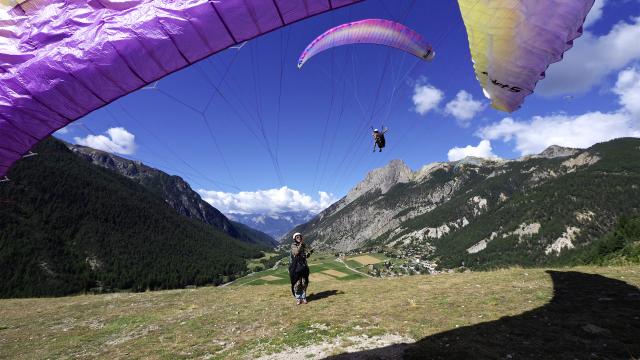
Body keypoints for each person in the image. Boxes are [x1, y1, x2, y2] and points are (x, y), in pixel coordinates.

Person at [289, 232, 313, 305]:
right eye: (297, 237)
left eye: (300, 237)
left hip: (303, 266)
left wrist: (309, 253)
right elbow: (296, 253)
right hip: (296, 267)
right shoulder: (293, 245)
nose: (299, 238)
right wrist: (300, 245)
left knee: (304, 282)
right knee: (297, 283)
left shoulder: (303, 244)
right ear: (295, 239)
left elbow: (305, 256)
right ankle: (298, 298)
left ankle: (304, 297)